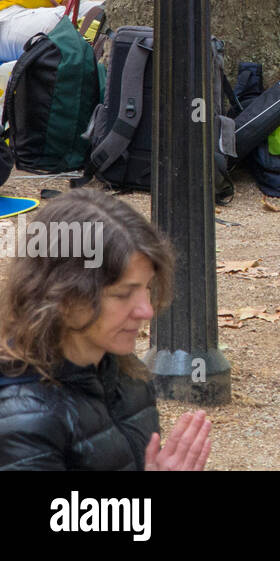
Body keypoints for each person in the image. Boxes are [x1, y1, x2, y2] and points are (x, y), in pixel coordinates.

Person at [0, 189, 213, 471]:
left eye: (146, 288)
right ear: (62, 296)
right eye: (124, 294)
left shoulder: (125, 375)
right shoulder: (23, 422)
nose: (146, 310)